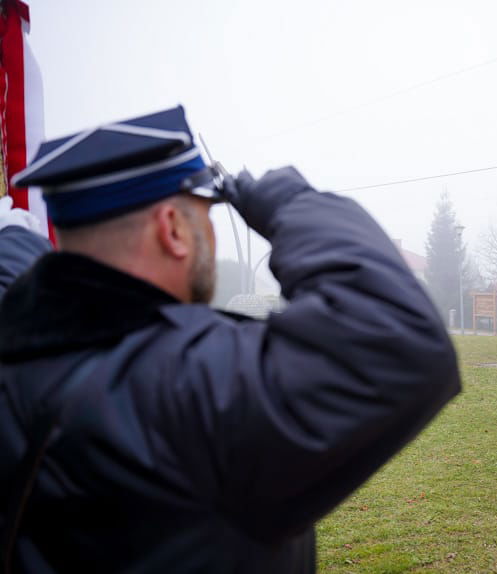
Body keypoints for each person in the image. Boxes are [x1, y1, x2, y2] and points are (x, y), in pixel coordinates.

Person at [0, 106, 461, 573]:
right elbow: (399, 339)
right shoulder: (183, 383)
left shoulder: (19, 354)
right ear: (173, 230)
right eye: (206, 216)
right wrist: (289, 201)